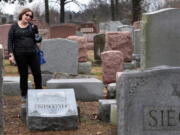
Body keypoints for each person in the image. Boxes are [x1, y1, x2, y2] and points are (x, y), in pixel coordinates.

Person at [8, 8, 42, 101]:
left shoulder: (32, 26)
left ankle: (39, 92)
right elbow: (10, 40)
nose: (28, 17)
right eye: (27, 15)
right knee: (24, 75)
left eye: (30, 16)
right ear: (22, 14)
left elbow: (38, 40)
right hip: (20, 54)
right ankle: (24, 95)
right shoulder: (14, 27)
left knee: (37, 73)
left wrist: (36, 32)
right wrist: (11, 54)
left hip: (33, 53)